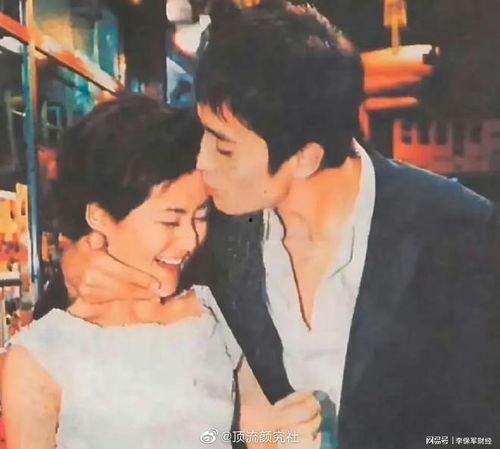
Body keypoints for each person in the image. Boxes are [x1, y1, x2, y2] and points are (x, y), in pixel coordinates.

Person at [50, 2, 500, 448]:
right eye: (205, 133)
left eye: (224, 148)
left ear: (305, 158)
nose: (202, 162)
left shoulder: (458, 232)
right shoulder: (207, 227)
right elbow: (67, 324)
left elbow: (478, 429)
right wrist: (81, 266)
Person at [2, 95, 321, 449]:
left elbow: (256, 433)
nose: (190, 239)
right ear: (99, 216)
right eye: (170, 220)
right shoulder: (41, 355)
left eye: (200, 216)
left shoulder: (209, 310)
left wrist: (291, 432)